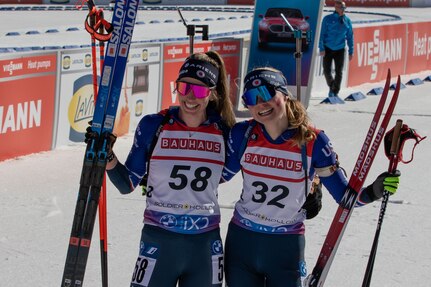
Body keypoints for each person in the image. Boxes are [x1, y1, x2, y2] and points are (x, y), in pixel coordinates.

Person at [221, 67, 400, 287]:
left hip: (286, 247)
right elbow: (215, 178)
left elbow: (346, 198)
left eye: (267, 93)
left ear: (284, 95)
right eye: (250, 98)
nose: (260, 103)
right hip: (242, 243)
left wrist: (374, 191)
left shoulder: (313, 141)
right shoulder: (243, 135)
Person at [90, 51, 236, 287]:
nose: (190, 96)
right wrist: (107, 156)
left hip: (205, 244)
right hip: (158, 240)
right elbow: (127, 184)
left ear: (212, 93)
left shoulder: (226, 132)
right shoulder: (154, 125)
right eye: (184, 87)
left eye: (199, 90)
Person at [319, 0, 354, 98]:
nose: (343, 10)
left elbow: (350, 36)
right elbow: (322, 34)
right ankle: (332, 86)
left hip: (340, 49)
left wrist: (351, 51)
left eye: (344, 8)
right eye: (341, 8)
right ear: (336, 7)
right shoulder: (327, 19)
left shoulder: (347, 21)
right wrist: (322, 48)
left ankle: (335, 92)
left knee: (339, 71)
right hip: (328, 48)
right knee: (326, 70)